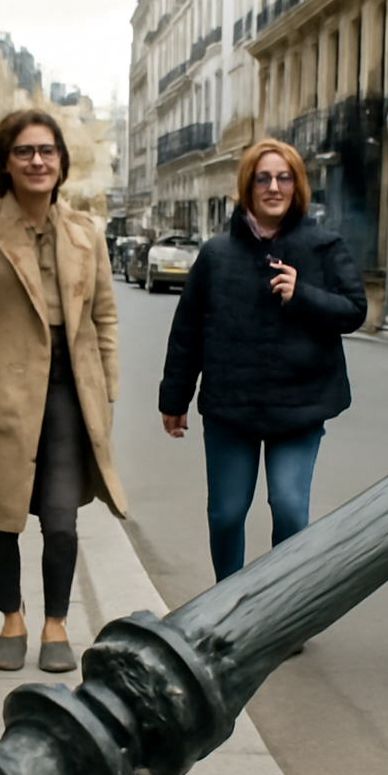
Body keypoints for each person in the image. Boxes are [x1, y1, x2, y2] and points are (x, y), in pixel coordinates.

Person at [0, 109, 126, 674]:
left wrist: (106, 391)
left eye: (47, 151)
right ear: (6, 161)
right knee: (4, 512)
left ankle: (56, 624)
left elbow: (104, 315)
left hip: (69, 390)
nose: (37, 161)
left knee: (61, 517)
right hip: (3, 389)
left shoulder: (84, 231)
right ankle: (11, 619)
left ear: (61, 162)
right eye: (24, 151)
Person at [159, 138, 367, 584]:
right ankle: (228, 605)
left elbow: (354, 311)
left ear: (297, 186)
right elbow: (188, 329)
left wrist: (302, 294)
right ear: (248, 187)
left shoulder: (325, 246)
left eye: (284, 178)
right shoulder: (216, 254)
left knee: (289, 507)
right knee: (226, 513)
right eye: (263, 179)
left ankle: (282, 604)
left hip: (299, 406)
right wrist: (174, 398)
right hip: (231, 406)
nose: (274, 187)